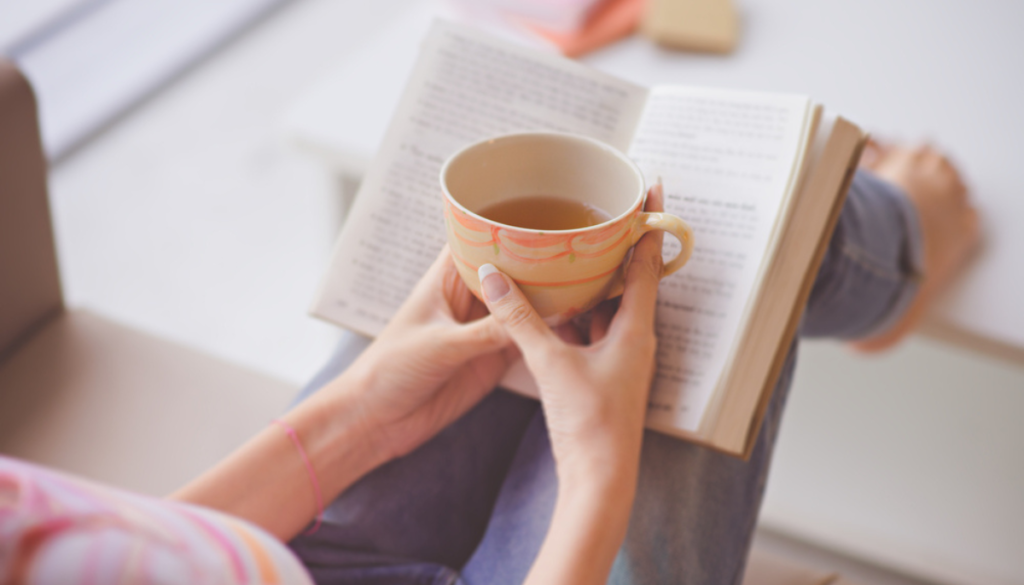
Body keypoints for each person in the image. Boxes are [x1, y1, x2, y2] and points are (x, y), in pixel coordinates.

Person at [0, 143, 978, 585]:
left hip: (288, 559)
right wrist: (596, 472)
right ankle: (895, 258)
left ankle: (878, 248)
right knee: (721, 258)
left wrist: (357, 417)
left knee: (599, 219)